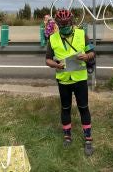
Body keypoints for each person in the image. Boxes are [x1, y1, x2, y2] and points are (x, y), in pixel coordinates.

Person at [45, 9, 95, 156]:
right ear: (58, 24)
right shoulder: (52, 38)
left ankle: (88, 139)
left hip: (80, 79)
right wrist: (55, 65)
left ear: (72, 22)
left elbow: (92, 52)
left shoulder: (81, 34)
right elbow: (47, 59)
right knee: (65, 108)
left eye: (67, 23)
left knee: (83, 108)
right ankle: (67, 136)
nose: (64, 26)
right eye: (61, 24)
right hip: (63, 80)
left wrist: (86, 56)